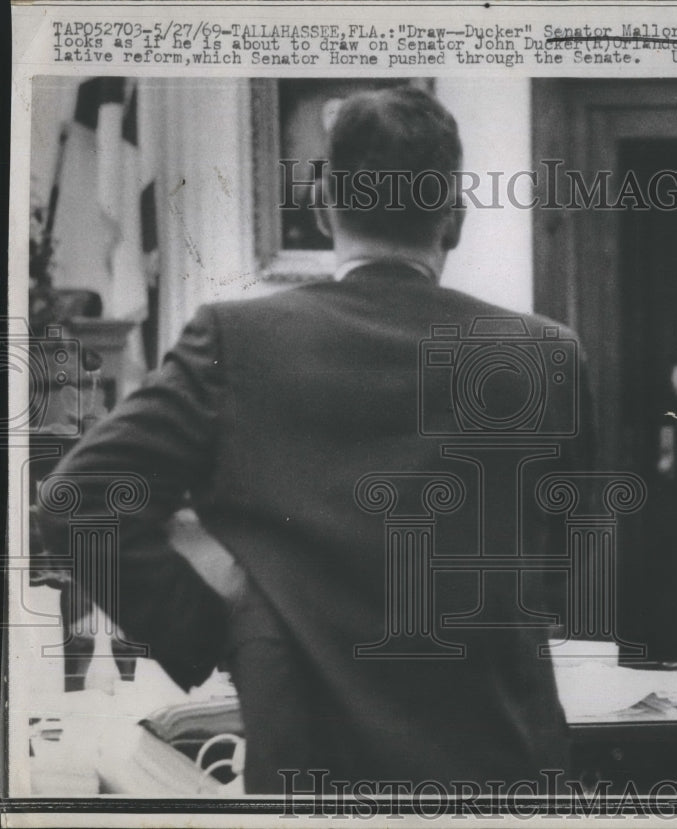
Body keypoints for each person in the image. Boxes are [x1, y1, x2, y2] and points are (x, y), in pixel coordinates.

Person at [38, 86, 589, 793]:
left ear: (323, 204)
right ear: (454, 214)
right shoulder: (547, 354)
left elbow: (76, 502)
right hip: (501, 764)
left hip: (314, 765)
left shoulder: (235, 342)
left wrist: (224, 623)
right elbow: (563, 558)